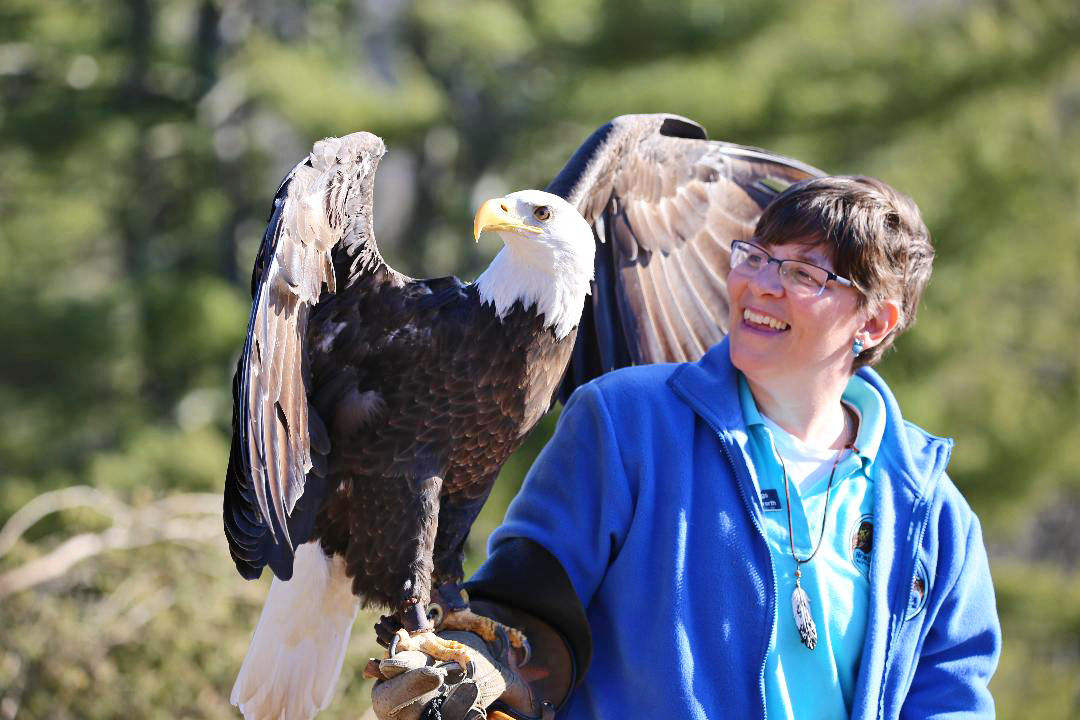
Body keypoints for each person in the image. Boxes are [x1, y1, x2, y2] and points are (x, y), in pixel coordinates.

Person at [369, 176, 1001, 720]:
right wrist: (491, 672)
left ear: (874, 322)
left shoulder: (930, 515)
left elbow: (951, 697)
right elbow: (531, 609)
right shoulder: (627, 423)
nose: (760, 285)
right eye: (754, 256)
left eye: (803, 274)